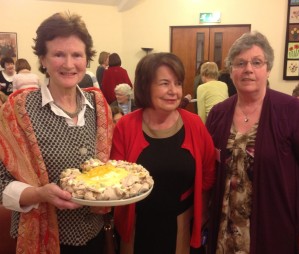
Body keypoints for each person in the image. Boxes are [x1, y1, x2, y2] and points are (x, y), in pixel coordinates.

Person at [0, 12, 113, 254]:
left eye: (77, 55)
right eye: (59, 54)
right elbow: (1, 182)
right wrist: (39, 194)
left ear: (87, 58)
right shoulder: (18, 110)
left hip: (94, 236)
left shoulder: (99, 107)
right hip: (42, 238)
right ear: (43, 59)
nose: (69, 64)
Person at [111, 52, 216, 254]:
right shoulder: (126, 125)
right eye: (164, 83)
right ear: (145, 86)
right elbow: (116, 177)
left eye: (177, 83)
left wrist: (201, 214)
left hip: (181, 224)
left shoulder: (194, 124)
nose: (174, 91)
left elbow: (208, 172)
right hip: (137, 225)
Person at [205, 31, 299, 254]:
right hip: (224, 228)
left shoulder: (291, 110)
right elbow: (209, 166)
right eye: (240, 63)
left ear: (268, 69)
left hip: (273, 226)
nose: (248, 69)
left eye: (256, 62)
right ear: (230, 70)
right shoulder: (218, 113)